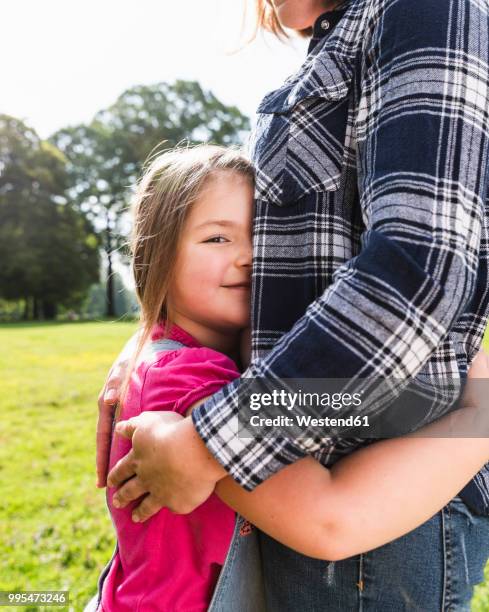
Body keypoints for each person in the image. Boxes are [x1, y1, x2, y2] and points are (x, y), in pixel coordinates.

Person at [99, 0, 489, 609]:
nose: (252, 257)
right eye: (222, 239)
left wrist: (207, 441)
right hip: (343, 496)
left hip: (376, 507)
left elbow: (421, 266)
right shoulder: (344, 47)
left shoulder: (420, 12)